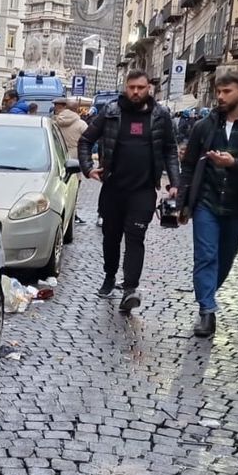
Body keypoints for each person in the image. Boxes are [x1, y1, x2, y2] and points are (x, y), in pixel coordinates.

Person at [78, 69, 180, 312]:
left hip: (143, 191)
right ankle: (110, 275)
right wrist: (88, 168)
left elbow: (170, 150)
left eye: (141, 87)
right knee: (111, 238)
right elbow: (85, 140)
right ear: (126, 87)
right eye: (132, 87)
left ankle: (130, 289)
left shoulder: (160, 115)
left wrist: (175, 182)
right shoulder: (111, 111)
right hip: (113, 188)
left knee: (136, 238)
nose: (136, 92)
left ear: (149, 88)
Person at [177, 70, 238, 337]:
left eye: (226, 91)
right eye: (218, 91)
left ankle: (207, 294)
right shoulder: (204, 126)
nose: (220, 96)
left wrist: (233, 163)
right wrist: (182, 203)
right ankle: (207, 311)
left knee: (225, 257)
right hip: (207, 201)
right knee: (206, 256)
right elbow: (189, 166)